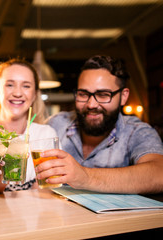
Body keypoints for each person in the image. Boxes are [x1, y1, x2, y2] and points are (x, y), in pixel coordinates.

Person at [40, 55, 163, 194]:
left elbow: (159, 174)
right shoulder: (56, 124)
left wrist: (85, 177)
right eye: (83, 94)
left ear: (123, 96)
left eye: (103, 95)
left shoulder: (137, 132)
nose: (91, 104)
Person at [0, 58, 58, 192]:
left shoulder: (46, 134)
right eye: (9, 85)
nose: (17, 93)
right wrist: (0, 179)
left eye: (26, 86)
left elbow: (47, 188)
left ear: (34, 95)